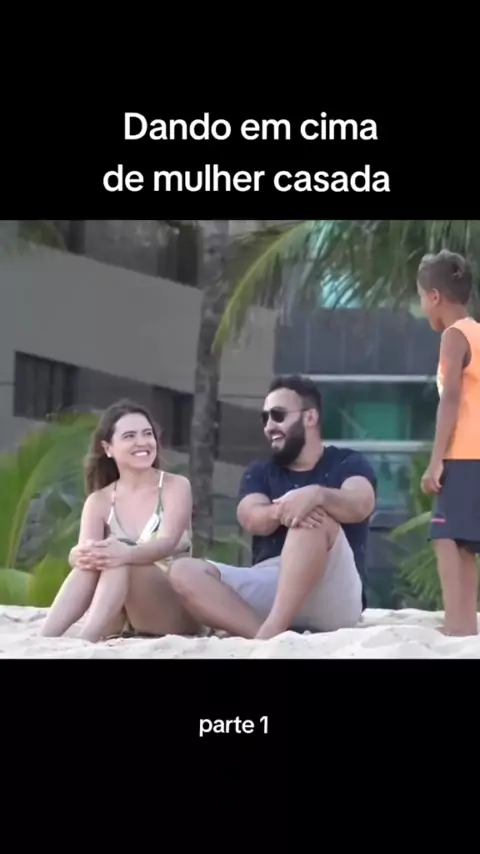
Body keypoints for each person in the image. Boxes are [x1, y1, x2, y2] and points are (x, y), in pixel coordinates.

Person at [169, 375, 377, 639]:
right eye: (265, 418)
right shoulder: (261, 471)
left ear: (310, 417)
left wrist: (315, 496)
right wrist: (283, 509)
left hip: (332, 590)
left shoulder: (348, 462)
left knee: (311, 518)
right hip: (272, 585)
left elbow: (361, 503)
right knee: (183, 571)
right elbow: (249, 515)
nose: (269, 426)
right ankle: (264, 636)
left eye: (278, 415)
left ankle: (272, 628)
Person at [40, 399, 201, 642]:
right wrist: (79, 554)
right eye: (129, 436)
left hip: (169, 608)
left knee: (117, 559)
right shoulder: (99, 501)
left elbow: (168, 542)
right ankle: (44, 638)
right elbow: (83, 556)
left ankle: (85, 640)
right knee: (95, 560)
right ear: (108, 448)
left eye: (147, 434)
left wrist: (122, 553)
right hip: (118, 616)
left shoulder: (175, 486)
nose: (142, 442)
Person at [417, 249, 480, 636]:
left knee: (446, 537)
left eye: (421, 298)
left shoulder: (454, 336)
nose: (423, 307)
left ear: (435, 296)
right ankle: (465, 628)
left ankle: (458, 628)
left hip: (464, 455)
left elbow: (451, 399)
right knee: (464, 543)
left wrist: (436, 460)